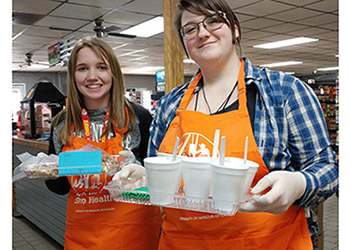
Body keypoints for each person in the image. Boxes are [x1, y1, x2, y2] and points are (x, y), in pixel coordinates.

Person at [146, 0, 338, 249]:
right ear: (184, 44)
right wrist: (141, 176)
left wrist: (299, 184)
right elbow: (158, 172)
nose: (202, 32)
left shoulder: (284, 92)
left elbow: (328, 169)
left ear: (235, 29)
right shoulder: (169, 105)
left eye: (213, 20)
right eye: (190, 29)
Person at [45, 36, 162, 249]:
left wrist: (138, 168)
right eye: (82, 68)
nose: (92, 76)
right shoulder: (61, 124)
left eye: (101, 67)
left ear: (113, 73)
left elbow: (160, 180)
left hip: (134, 236)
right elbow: (59, 188)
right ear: (73, 75)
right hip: (84, 237)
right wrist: (49, 170)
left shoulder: (139, 117)